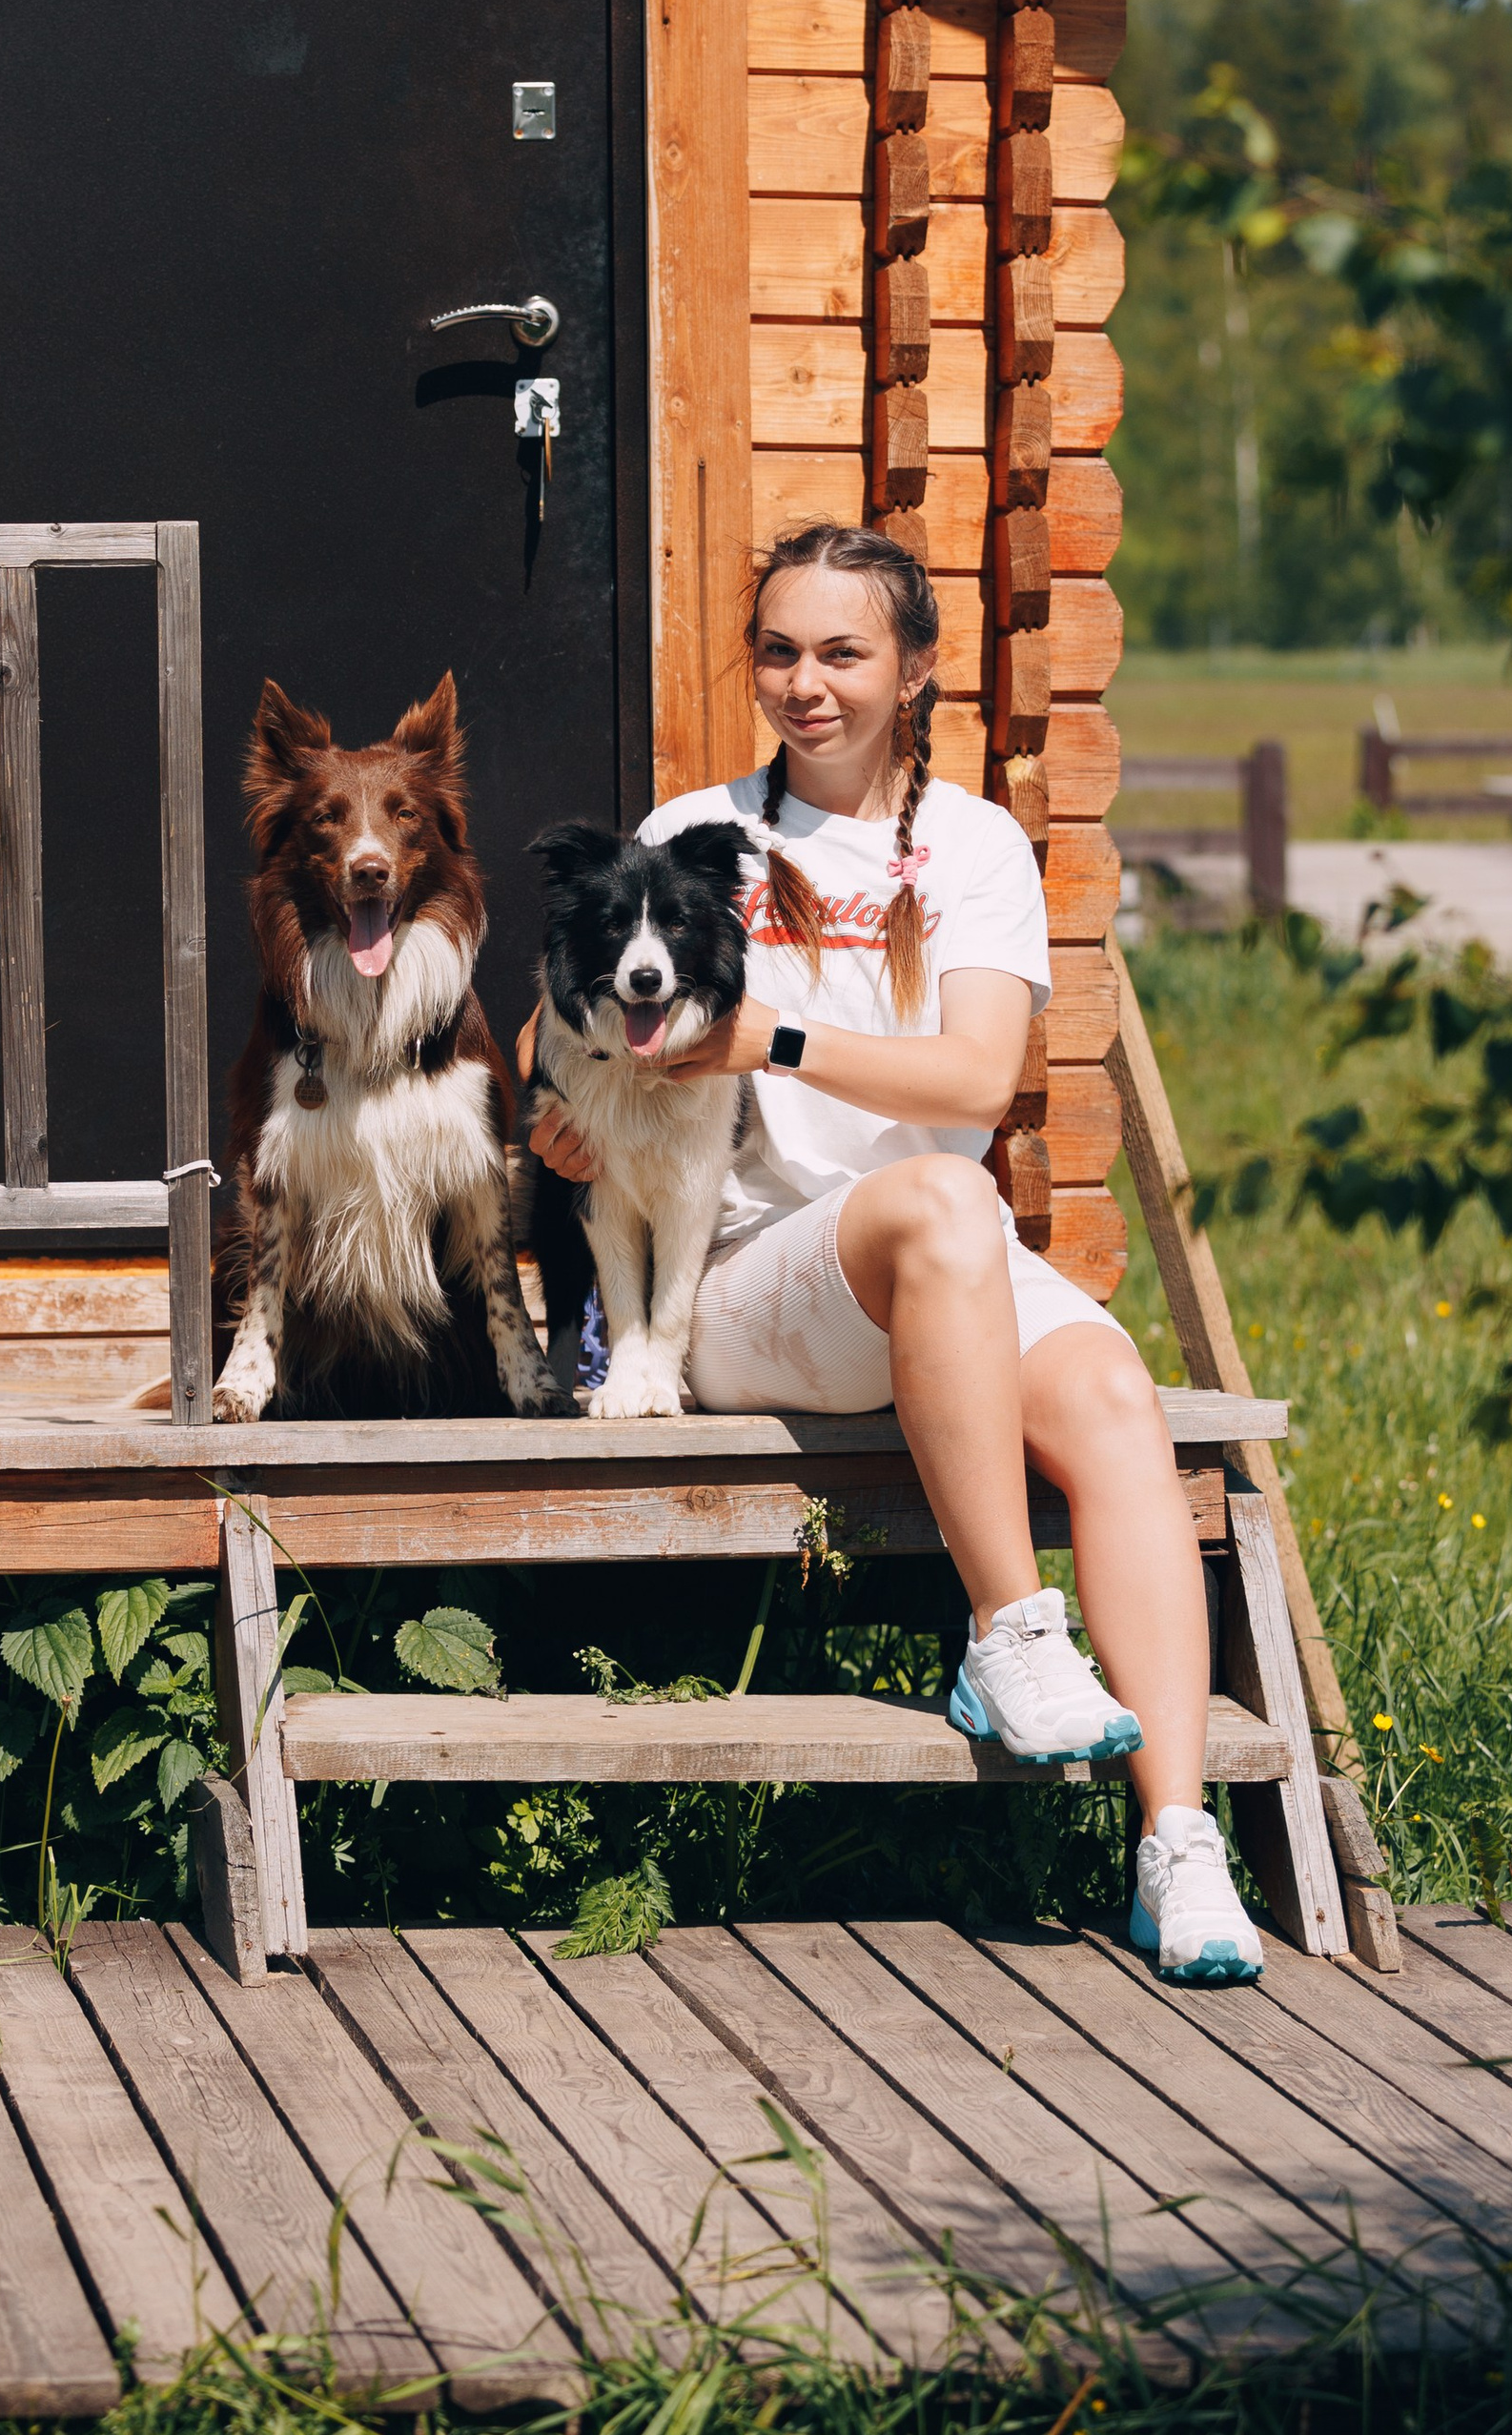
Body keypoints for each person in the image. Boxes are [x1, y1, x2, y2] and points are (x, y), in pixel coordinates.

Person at [527, 520, 1261, 1988]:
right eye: (780, 652)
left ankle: (1177, 1841)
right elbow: (562, 1017)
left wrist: (773, 1038)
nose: (806, 684)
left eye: (843, 654)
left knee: (1114, 1400)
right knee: (939, 1206)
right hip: (746, 1277)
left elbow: (979, 1079)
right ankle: (1010, 1633)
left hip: (944, 1259)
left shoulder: (973, 847)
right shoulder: (701, 830)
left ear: (915, 668)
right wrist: (567, 1109)